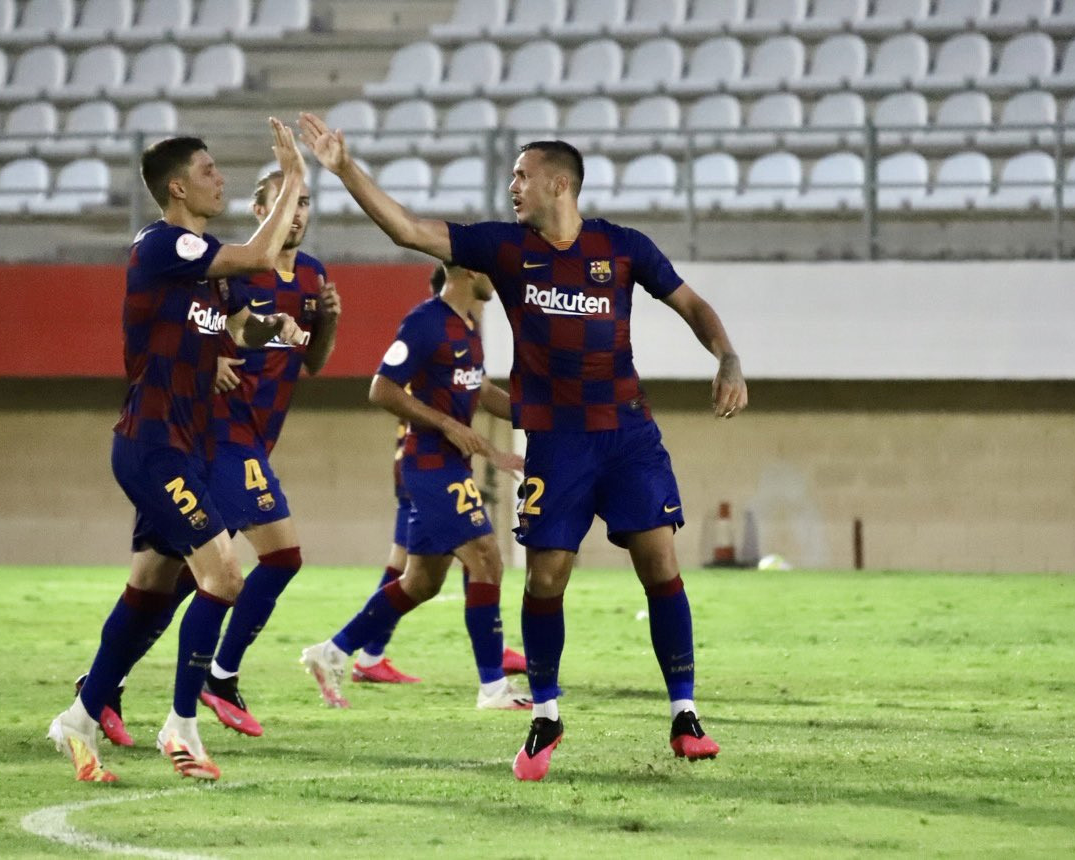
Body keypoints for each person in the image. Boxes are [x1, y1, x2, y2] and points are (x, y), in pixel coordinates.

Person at [297, 113, 749, 782]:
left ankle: (685, 713)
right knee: (545, 579)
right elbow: (406, 229)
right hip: (557, 446)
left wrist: (728, 357)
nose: (511, 186)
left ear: (559, 184)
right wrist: (343, 168)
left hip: (628, 435)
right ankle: (546, 715)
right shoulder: (506, 250)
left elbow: (691, 304)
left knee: (661, 566)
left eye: (522, 175)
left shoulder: (624, 248)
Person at [47, 123, 309, 783]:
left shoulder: (194, 269)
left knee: (154, 586)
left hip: (183, 446)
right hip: (154, 444)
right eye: (210, 169)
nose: (220, 178)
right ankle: (181, 726)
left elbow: (230, 326)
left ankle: (80, 717)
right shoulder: (164, 244)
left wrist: (270, 327)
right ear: (177, 186)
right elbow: (254, 257)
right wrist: (295, 182)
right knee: (223, 576)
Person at [301, 263, 531, 710]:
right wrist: (445, 422)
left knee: (421, 582)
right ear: (467, 269)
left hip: (451, 465)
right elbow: (381, 388)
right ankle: (493, 688)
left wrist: (534, 414)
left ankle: (331, 652)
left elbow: (479, 389)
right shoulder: (426, 321)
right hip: (429, 465)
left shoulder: (468, 326)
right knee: (486, 557)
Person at [197, 169, 341, 736]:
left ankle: (105, 682)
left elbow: (314, 361)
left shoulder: (312, 275)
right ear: (261, 212)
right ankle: (220, 676)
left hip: (258, 437)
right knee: (282, 557)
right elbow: (194, 330)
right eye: (285, 201)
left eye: (304, 201)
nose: (298, 212)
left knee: (185, 575)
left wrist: (327, 322)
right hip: (222, 433)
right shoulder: (234, 270)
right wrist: (208, 361)